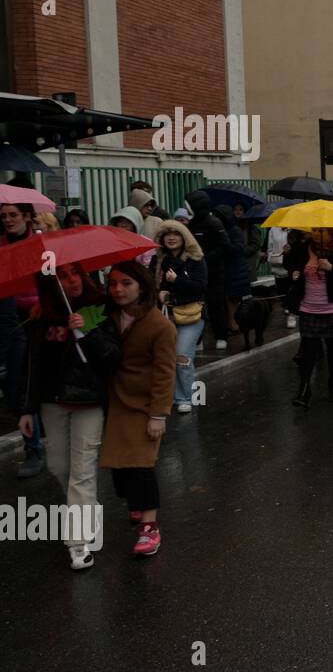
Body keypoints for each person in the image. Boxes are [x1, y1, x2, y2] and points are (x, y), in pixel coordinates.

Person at [17, 264, 113, 570]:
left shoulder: (99, 306)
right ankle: (87, 509)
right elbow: (33, 364)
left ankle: (79, 542)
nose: (71, 281)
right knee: (60, 468)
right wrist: (26, 408)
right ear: (50, 282)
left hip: (89, 401)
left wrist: (88, 330)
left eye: (75, 273)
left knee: (82, 472)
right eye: (61, 275)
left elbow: (112, 358)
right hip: (52, 403)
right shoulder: (40, 316)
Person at [99, 261, 176, 558]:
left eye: (126, 283)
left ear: (142, 286)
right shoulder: (107, 315)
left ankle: (150, 527)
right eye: (113, 283)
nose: (118, 289)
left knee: (142, 465)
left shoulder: (160, 326)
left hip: (143, 406)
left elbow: (165, 372)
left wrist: (159, 414)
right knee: (119, 466)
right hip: (113, 400)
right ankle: (135, 504)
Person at [285, 228, 333, 406]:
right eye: (315, 230)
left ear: (331, 233)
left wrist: (331, 267)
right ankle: (304, 389)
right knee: (308, 351)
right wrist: (294, 272)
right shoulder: (303, 248)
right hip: (309, 308)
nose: (317, 234)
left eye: (321, 231)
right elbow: (292, 266)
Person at [1, 201, 45, 477]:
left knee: (30, 382)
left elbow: (50, 281)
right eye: (3, 215)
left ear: (28, 216)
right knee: (14, 384)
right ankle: (34, 439)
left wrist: (38, 303)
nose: (7, 220)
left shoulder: (41, 244)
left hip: (37, 319)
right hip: (6, 320)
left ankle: (34, 447)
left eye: (13, 215)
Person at [150, 221, 207, 414]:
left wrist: (177, 281)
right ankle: (173, 395)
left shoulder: (195, 259)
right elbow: (150, 284)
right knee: (166, 358)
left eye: (176, 233)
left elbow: (200, 287)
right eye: (167, 234)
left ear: (185, 237)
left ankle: (186, 398)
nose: (172, 237)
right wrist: (159, 293)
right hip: (165, 316)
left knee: (182, 355)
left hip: (191, 315)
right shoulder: (157, 260)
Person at [184, 190, 231, 351]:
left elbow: (225, 246)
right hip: (197, 273)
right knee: (197, 306)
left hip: (215, 272)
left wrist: (205, 258)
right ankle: (198, 339)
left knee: (217, 305)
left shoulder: (214, 223)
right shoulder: (191, 225)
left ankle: (221, 336)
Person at [214, 205, 251, 346]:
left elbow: (238, 249)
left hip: (235, 269)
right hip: (226, 269)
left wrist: (225, 243)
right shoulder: (222, 230)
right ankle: (231, 324)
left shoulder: (234, 230)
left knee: (232, 299)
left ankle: (234, 325)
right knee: (227, 298)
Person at [267, 223, 297, 329]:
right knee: (281, 291)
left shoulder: (295, 229)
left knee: (291, 290)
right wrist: (275, 256)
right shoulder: (273, 229)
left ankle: (291, 314)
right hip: (278, 265)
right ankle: (286, 306)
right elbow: (269, 248)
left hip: (292, 266)